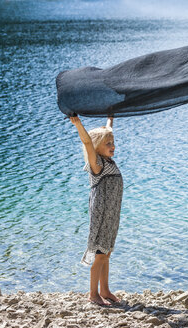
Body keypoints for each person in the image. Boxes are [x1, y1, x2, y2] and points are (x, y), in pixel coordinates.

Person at [70, 115, 123, 306]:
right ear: (97, 146)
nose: (112, 145)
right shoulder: (97, 164)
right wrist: (78, 124)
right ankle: (93, 294)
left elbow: (108, 130)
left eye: (113, 142)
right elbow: (87, 141)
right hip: (102, 215)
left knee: (107, 253)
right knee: (100, 254)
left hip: (112, 214)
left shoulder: (108, 161)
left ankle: (105, 290)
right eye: (108, 143)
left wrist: (110, 118)